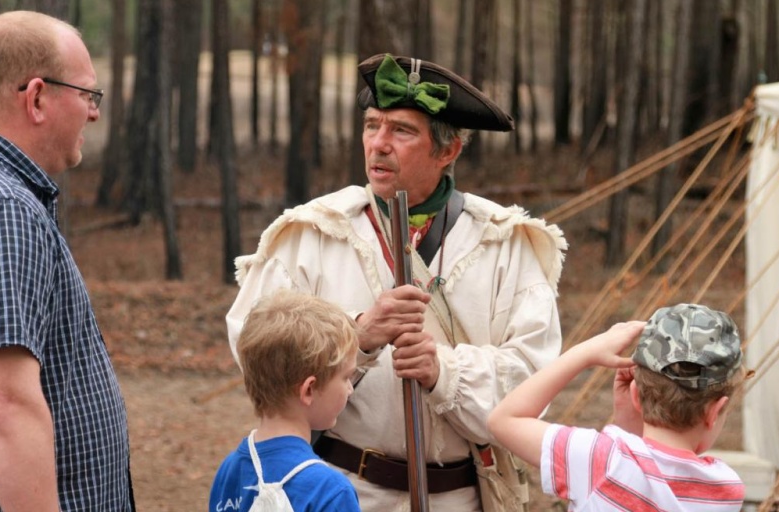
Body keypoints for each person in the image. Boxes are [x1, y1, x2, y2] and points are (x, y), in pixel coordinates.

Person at [226, 53, 567, 510]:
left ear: (448, 151)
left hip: (460, 497)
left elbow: (534, 385)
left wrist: (443, 373)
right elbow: (256, 354)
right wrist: (355, 336)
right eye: (372, 126)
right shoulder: (312, 234)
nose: (379, 144)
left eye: (401, 131)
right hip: (342, 491)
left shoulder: (504, 242)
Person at [0, 10, 134, 512]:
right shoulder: (5, 208)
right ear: (36, 97)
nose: (94, 112)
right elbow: (2, 407)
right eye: (87, 94)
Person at [488, 303, 751, 511]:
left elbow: (503, 419)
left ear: (635, 394)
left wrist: (586, 352)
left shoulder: (599, 461)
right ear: (715, 411)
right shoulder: (726, 489)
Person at [210, 290, 361, 511]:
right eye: (346, 377)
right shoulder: (330, 491)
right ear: (308, 389)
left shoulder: (229, 470)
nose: (350, 389)